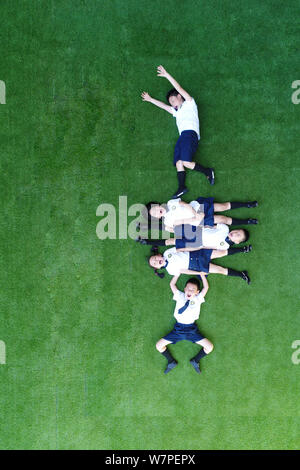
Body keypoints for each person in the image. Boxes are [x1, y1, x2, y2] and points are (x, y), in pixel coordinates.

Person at [141, 65, 214, 198]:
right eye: (171, 103)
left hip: (190, 134)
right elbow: (164, 107)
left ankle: (207, 171)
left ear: (179, 97)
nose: (173, 104)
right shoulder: (176, 111)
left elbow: (179, 88)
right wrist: (151, 100)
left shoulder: (189, 103)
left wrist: (167, 74)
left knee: (185, 162)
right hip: (182, 137)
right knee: (179, 163)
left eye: (174, 100)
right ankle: (182, 186)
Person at [156, 275, 213, 374]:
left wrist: (202, 275)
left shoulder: (198, 299)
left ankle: (195, 360)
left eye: (193, 289)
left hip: (192, 330)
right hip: (178, 330)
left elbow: (206, 287)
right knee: (158, 346)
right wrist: (178, 273)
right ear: (185, 289)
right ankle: (171, 361)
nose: (190, 291)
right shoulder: (180, 296)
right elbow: (172, 284)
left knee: (209, 347)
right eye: (188, 288)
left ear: (197, 292)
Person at [141, 198, 258, 232]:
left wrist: (196, 214)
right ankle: (248, 221)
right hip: (198, 221)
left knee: (223, 206)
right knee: (223, 219)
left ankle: (247, 204)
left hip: (198, 208)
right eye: (155, 214)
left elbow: (185, 204)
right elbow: (181, 222)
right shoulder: (167, 221)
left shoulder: (170, 202)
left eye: (155, 209)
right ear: (157, 218)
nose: (157, 212)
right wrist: (195, 219)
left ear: (157, 204)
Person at [148, 245, 251, 284]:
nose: (157, 261)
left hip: (197, 254)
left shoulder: (167, 253)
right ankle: (242, 274)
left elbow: (182, 249)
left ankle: (243, 249)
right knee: (220, 270)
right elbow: (185, 271)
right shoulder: (170, 271)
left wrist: (197, 247)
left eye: (155, 258)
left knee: (221, 252)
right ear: (158, 267)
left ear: (159, 255)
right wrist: (199, 272)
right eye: (155, 263)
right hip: (196, 266)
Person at [137, 223, 250, 251]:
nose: (234, 233)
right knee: (170, 228)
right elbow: (210, 226)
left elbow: (209, 248)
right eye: (237, 231)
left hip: (196, 243)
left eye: (238, 235)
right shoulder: (225, 228)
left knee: (171, 242)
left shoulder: (225, 247)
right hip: (196, 230)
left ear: (237, 242)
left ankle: (146, 241)